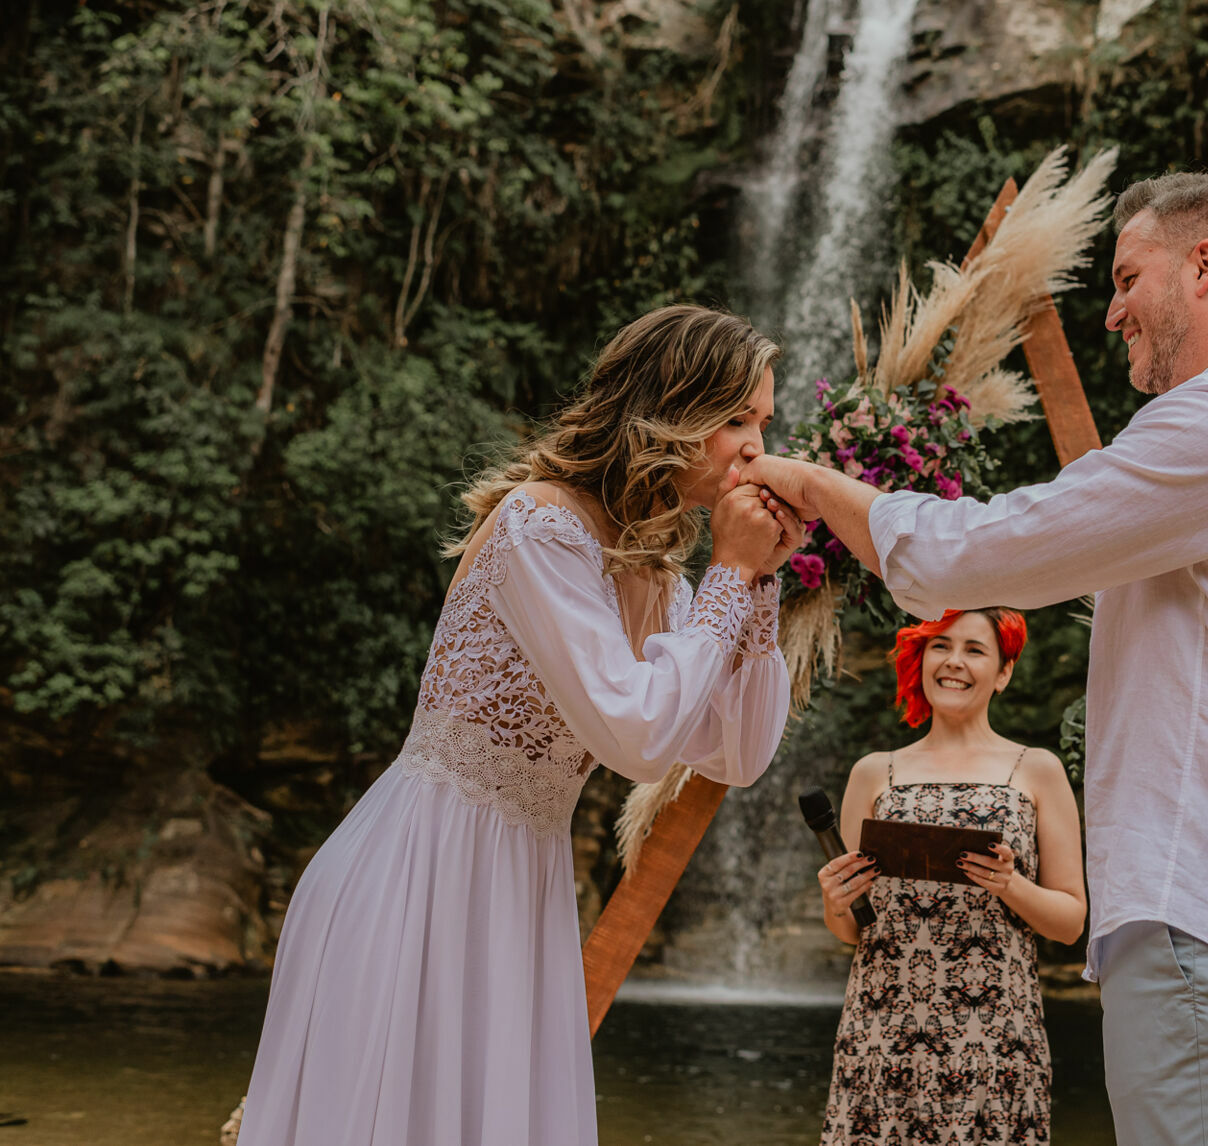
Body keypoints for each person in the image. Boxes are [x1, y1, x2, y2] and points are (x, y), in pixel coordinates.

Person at [744, 173, 1208, 1145]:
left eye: (1130, 276)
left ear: (1206, 264)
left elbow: (975, 554)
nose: (1113, 312)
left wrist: (806, 481)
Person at [237, 305, 802, 1146]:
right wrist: (727, 571)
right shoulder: (541, 527)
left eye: (761, 419)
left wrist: (757, 591)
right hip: (423, 877)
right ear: (667, 411)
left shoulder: (658, 573)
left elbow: (738, 752)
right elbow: (634, 736)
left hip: (520, 885)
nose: (758, 445)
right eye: (735, 419)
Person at [815, 607, 1086, 1146]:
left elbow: (1071, 922)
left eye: (975, 649)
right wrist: (834, 900)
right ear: (921, 658)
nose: (953, 662)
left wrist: (1011, 885)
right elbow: (850, 930)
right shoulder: (874, 771)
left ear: (1004, 672)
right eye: (940, 645)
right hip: (881, 1034)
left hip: (995, 1041)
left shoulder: (1036, 769)